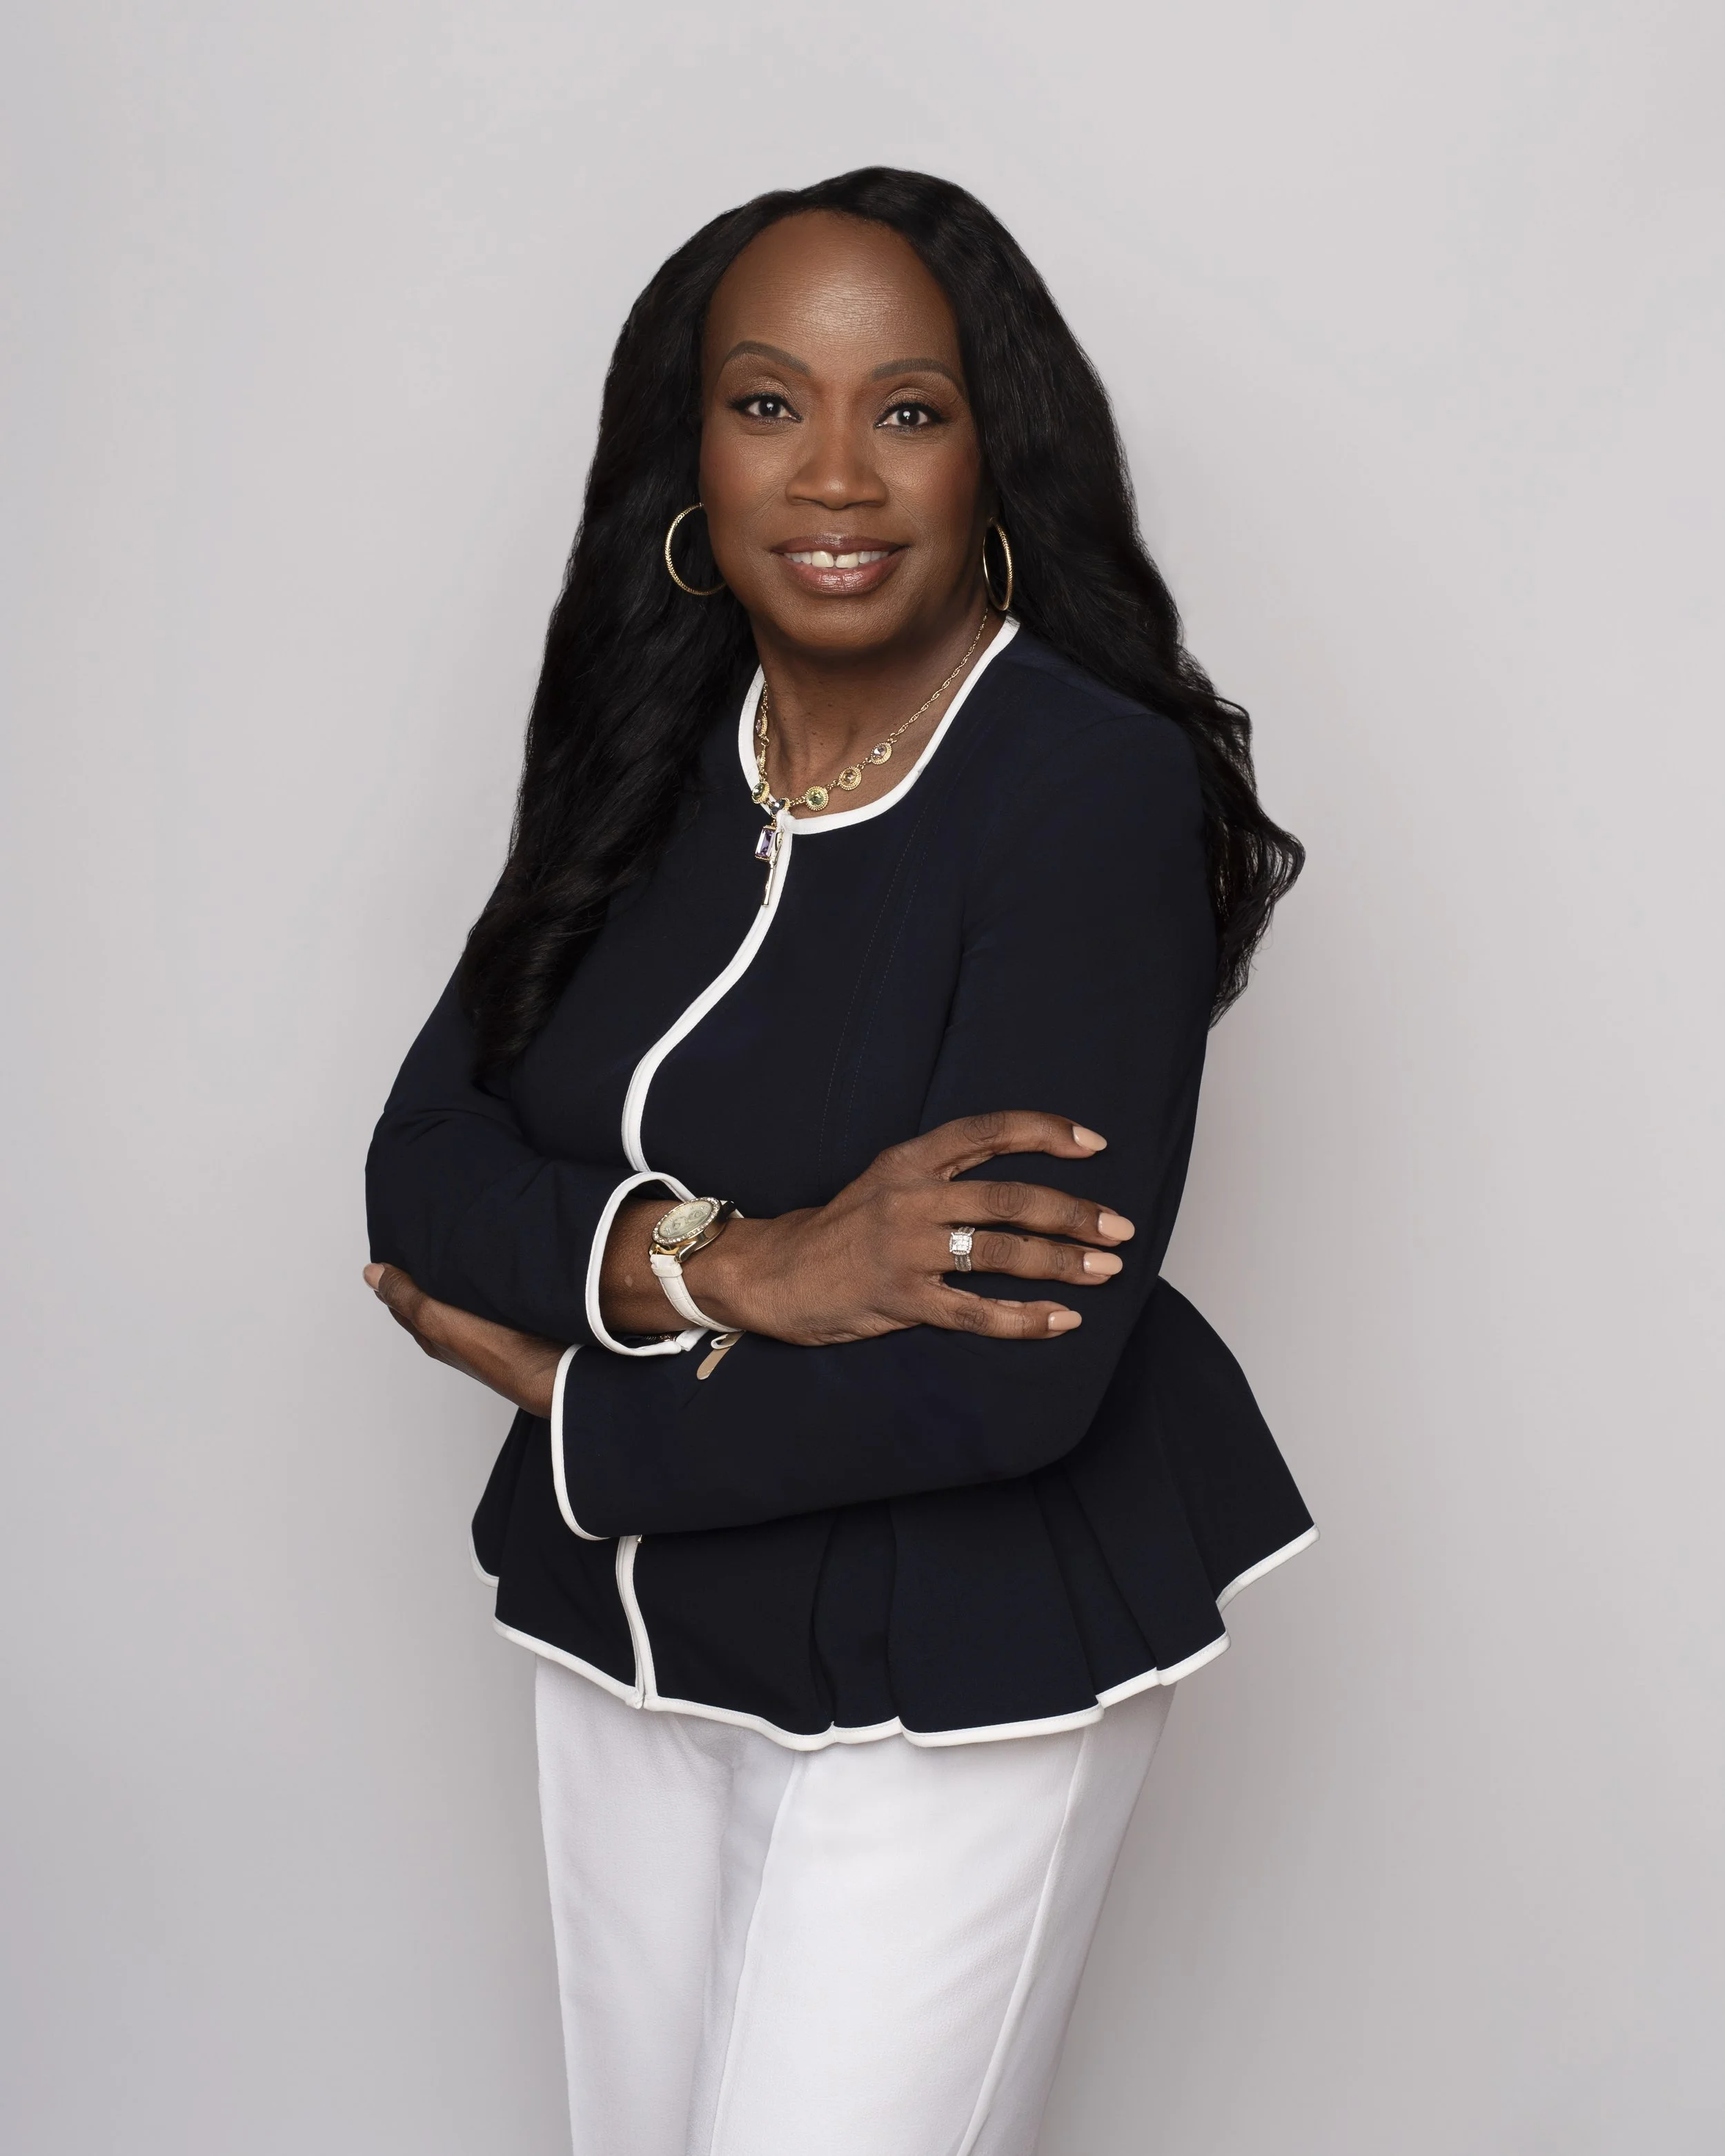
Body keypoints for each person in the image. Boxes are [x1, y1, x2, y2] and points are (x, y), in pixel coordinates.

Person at [364, 166, 1315, 2156]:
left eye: (907, 408)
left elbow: (1001, 1372)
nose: (833, 475)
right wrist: (742, 1267)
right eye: (767, 401)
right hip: (628, 1641)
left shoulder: (1080, 789)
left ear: (993, 453)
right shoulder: (643, 750)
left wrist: (574, 1401)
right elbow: (421, 1175)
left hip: (961, 1651)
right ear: (687, 453)